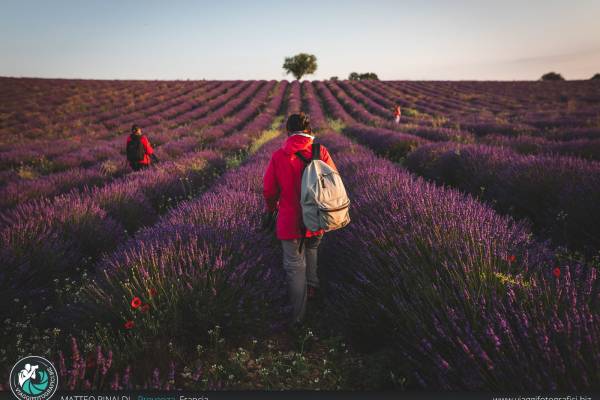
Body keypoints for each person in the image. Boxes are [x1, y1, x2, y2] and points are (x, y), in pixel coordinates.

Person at [263, 112, 338, 329]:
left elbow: (269, 190)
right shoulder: (320, 151)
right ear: (309, 131)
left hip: (290, 221)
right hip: (316, 217)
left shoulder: (279, 156)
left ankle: (298, 319)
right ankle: (313, 286)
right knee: (313, 248)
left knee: (295, 267)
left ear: (287, 132)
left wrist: (271, 209)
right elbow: (334, 182)